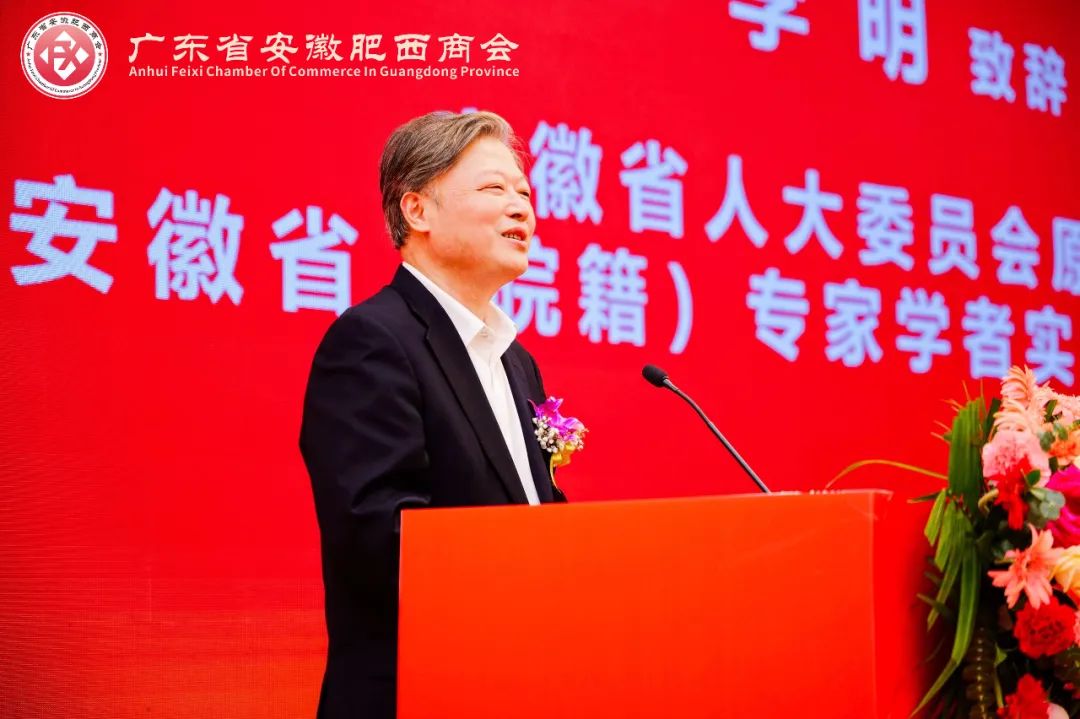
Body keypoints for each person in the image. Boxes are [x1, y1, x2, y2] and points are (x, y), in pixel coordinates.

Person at [299, 110, 566, 719]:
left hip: (517, 686)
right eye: (495, 189)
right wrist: (525, 586)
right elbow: (380, 536)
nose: (522, 209)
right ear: (417, 210)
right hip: (417, 692)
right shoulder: (372, 342)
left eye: (525, 194)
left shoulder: (517, 362)